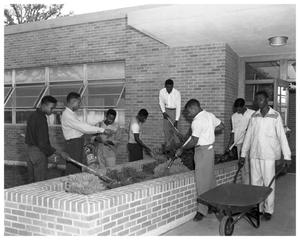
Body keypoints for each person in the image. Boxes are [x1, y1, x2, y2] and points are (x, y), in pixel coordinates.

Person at [240, 91, 291, 221]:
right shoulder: (254, 116)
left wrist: (287, 156)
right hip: (254, 155)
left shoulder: (275, 116)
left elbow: (282, 137)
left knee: (268, 184)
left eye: (261, 99)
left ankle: (268, 210)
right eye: (257, 99)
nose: (259, 102)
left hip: (269, 155)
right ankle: (258, 208)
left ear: (267, 100)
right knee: (255, 184)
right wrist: (243, 154)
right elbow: (248, 136)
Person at [175, 99, 224, 221]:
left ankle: (202, 211)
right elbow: (221, 126)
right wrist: (208, 131)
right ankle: (215, 206)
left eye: (188, 113)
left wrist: (182, 149)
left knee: (202, 181)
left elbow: (193, 141)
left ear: (193, 108)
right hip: (210, 150)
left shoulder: (197, 121)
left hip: (202, 151)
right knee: (210, 180)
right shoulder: (209, 115)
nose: (188, 115)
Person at [61, 92, 112, 175]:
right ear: (73, 101)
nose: (80, 105)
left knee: (77, 167)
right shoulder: (67, 115)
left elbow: (83, 125)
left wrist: (97, 124)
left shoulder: (72, 114)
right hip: (73, 144)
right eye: (79, 102)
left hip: (77, 143)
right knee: (73, 169)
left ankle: (76, 185)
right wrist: (102, 130)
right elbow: (84, 128)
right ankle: (72, 185)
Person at [25, 95, 69, 182]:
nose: (52, 111)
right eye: (51, 108)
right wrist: (60, 153)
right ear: (44, 105)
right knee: (40, 182)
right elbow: (43, 144)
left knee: (31, 182)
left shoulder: (32, 115)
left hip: (29, 152)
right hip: (38, 153)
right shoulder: (41, 119)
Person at [226, 98, 255, 184]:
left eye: (240, 109)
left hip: (251, 143)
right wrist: (229, 146)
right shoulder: (234, 116)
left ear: (244, 106)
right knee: (243, 166)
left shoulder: (253, 114)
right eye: (236, 109)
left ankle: (253, 185)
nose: (238, 111)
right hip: (239, 144)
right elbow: (233, 131)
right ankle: (245, 185)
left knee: (252, 165)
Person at [159, 79, 181, 149]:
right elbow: (161, 102)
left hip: (175, 111)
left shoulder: (177, 93)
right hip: (166, 111)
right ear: (165, 86)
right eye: (167, 87)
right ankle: (168, 148)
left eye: (170, 87)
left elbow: (178, 106)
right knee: (166, 130)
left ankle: (177, 148)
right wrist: (164, 112)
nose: (169, 89)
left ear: (173, 86)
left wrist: (176, 120)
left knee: (175, 130)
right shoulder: (162, 91)